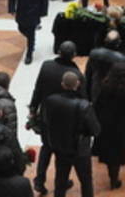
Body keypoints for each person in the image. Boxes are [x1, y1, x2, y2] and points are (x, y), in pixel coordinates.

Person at [29, 41, 84, 195]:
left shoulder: (46, 66)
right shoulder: (76, 74)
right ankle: (62, 182)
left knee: (46, 147)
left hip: (46, 115)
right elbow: (82, 98)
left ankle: (39, 180)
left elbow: (38, 88)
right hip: (66, 119)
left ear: (59, 52)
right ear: (74, 55)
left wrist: (33, 108)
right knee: (62, 152)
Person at [41, 71, 99, 197]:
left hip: (60, 146)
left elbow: (46, 120)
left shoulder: (51, 100)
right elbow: (95, 130)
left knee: (60, 181)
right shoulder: (84, 106)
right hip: (80, 150)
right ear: (77, 84)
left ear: (62, 84)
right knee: (86, 181)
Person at [92, 61, 125, 190]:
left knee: (108, 150)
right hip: (120, 125)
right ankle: (114, 179)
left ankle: (112, 176)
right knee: (116, 153)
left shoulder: (105, 86)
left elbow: (97, 104)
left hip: (105, 123)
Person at [8, 0, 49, 64]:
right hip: (21, 9)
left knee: (31, 32)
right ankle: (31, 40)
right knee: (21, 27)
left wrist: (43, 11)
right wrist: (11, 8)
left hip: (34, 10)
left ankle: (29, 54)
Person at [84, 30, 125, 103]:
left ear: (105, 40)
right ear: (118, 43)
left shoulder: (94, 53)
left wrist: (87, 95)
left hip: (96, 90)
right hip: (112, 94)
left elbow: (88, 75)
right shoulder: (121, 58)